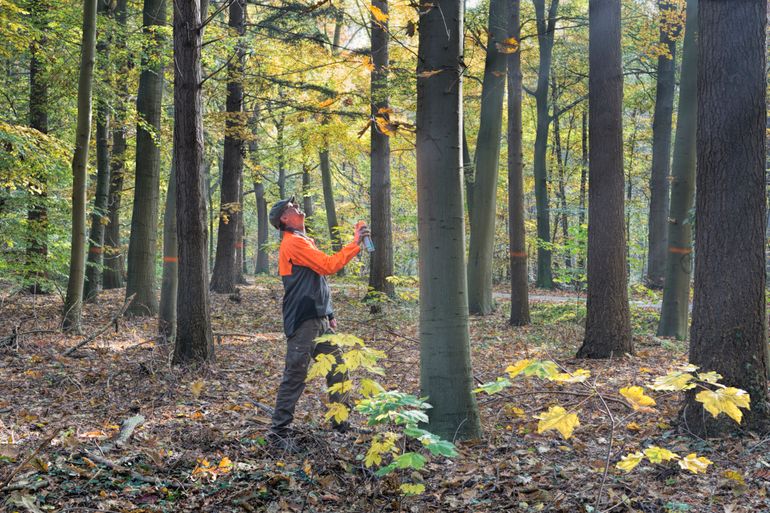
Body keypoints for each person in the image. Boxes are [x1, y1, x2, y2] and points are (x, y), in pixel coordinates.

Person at [267, 196, 370, 450]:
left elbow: (318, 281)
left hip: (319, 318)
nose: (298, 208)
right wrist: (355, 243)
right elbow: (327, 266)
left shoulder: (303, 240)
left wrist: (330, 313)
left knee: (338, 369)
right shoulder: (292, 243)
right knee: (295, 374)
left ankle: (341, 422)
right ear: (284, 218)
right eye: (292, 207)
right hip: (303, 319)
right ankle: (278, 433)